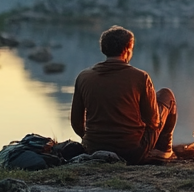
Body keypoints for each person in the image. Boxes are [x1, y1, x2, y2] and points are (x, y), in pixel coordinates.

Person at [70, 25, 176, 164]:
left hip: (93, 149)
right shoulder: (140, 77)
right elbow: (154, 121)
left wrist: (93, 139)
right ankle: (163, 151)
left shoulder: (83, 77)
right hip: (132, 153)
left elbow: (76, 122)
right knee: (165, 95)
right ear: (127, 49)